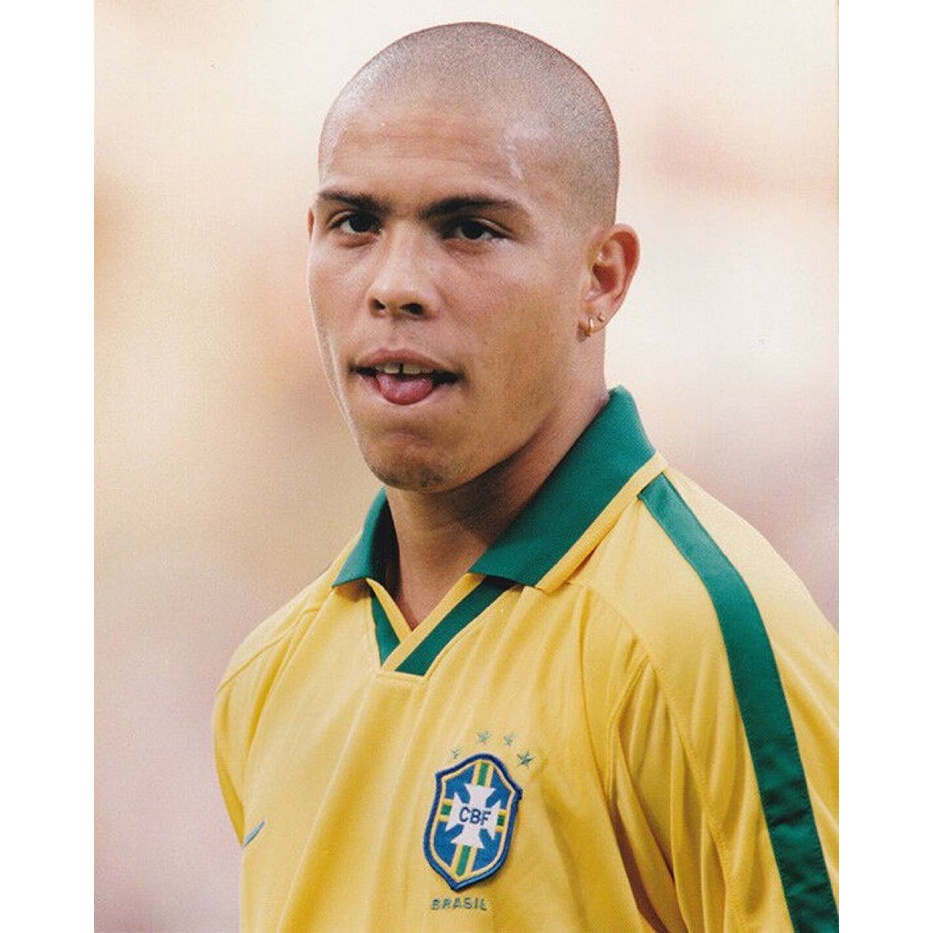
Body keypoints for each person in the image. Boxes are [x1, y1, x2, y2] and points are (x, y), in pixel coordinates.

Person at [213, 21, 838, 932]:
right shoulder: (270, 675)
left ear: (601, 278)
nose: (394, 284)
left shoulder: (699, 632)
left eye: (469, 228)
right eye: (355, 224)